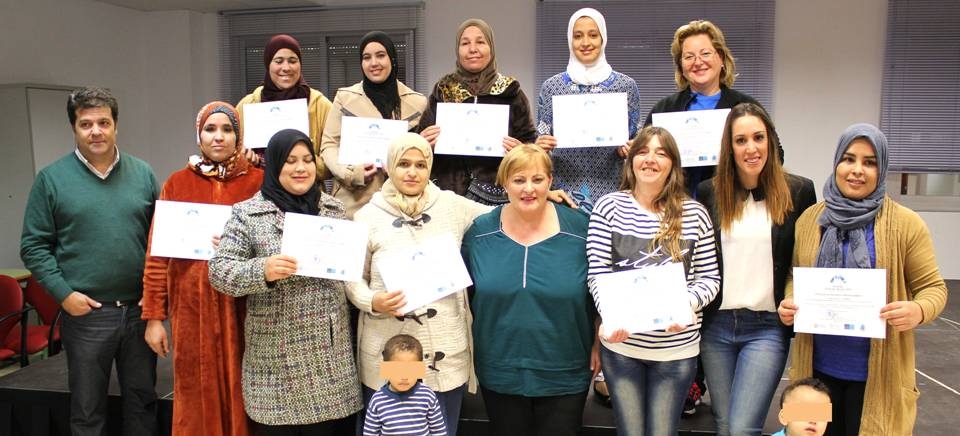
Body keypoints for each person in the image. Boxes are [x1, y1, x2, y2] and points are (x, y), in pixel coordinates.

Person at [777, 123, 947, 435]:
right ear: (836, 163)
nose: (857, 170)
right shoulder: (810, 219)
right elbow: (793, 275)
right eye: (849, 159)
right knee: (807, 434)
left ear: (881, 169)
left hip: (876, 375)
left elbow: (934, 288)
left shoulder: (906, 225)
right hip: (813, 370)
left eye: (869, 162)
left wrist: (918, 310)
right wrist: (790, 298)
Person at [20, 87, 159, 435]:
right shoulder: (51, 180)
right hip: (86, 314)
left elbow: (160, 241)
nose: (96, 131)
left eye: (103, 122)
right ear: (74, 129)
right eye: (86, 124)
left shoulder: (143, 174)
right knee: (87, 410)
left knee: (142, 403)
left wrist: (156, 295)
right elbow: (33, 246)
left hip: (139, 312)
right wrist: (64, 295)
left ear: (116, 126)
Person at [208, 129, 362, 435]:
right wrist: (262, 270)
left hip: (328, 361)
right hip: (275, 363)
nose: (300, 168)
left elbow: (351, 273)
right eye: (290, 161)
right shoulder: (248, 213)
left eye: (307, 159)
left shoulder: (334, 210)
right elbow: (220, 271)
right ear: (276, 164)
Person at [349, 133, 489, 436]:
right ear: (389, 167)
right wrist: (372, 300)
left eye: (420, 165)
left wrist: (548, 199)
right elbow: (351, 277)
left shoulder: (453, 205)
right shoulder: (367, 216)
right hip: (389, 344)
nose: (412, 172)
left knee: (440, 429)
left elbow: (504, 215)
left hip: (444, 348)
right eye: (403, 164)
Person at [587, 126, 720, 436]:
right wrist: (611, 314)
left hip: (675, 351)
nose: (651, 159)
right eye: (643, 151)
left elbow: (709, 278)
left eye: (661, 153)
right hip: (623, 348)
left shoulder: (695, 214)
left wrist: (682, 306)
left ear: (673, 164)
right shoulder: (608, 208)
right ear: (631, 160)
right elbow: (597, 273)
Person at [694, 103, 816, 436]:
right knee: (723, 423)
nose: (751, 148)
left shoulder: (799, 190)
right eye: (741, 140)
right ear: (729, 147)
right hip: (717, 325)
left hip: (767, 327)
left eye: (758, 137)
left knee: (742, 427)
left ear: (771, 141)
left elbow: (803, 261)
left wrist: (793, 298)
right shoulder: (709, 192)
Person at [141, 102, 262, 436]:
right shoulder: (176, 184)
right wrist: (154, 317)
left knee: (246, 392)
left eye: (227, 130)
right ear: (199, 135)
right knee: (196, 391)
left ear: (239, 136)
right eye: (211, 129)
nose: (219, 137)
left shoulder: (258, 181)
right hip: (191, 310)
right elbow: (156, 257)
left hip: (246, 307)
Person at [462, 144, 597, 436]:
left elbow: (600, 294)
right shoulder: (479, 233)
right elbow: (465, 298)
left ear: (550, 181)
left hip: (565, 367)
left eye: (537, 179)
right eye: (518, 180)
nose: (528, 189)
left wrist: (599, 342)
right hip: (500, 367)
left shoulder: (581, 231)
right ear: (504, 183)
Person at [644, 20, 780, 197]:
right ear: (681, 66)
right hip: (675, 206)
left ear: (721, 58)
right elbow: (645, 156)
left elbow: (777, 154)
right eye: (689, 56)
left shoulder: (746, 107)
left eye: (705, 53)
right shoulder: (664, 109)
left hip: (732, 204)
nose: (698, 62)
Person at [417, 18, 539, 205]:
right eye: (465, 43)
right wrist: (422, 142)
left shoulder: (511, 92)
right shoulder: (443, 90)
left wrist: (520, 151)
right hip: (448, 194)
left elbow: (531, 142)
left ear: (491, 47)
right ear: (457, 50)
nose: (472, 49)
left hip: (498, 194)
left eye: (480, 42)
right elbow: (418, 143)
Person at [535, 7, 642, 212]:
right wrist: (540, 146)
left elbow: (636, 141)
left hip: (614, 191)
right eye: (578, 36)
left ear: (603, 39)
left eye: (593, 35)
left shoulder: (626, 86)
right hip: (562, 192)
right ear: (570, 40)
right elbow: (541, 145)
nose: (585, 43)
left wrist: (631, 148)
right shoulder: (551, 87)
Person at [320, 31, 428, 219]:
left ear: (392, 59)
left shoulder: (417, 102)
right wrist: (350, 173)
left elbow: (422, 155)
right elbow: (329, 146)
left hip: (403, 202)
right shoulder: (345, 98)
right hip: (354, 199)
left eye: (380, 55)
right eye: (366, 57)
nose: (374, 63)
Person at [237, 34, 333, 174]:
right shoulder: (248, 105)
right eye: (279, 61)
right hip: (257, 190)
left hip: (306, 191)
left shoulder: (320, 105)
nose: (286, 67)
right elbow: (231, 157)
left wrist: (296, 161)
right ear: (268, 64)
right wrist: (245, 159)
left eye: (292, 61)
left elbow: (332, 165)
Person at [363, 334, 447, 436]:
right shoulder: (378, 400)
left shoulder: (427, 396)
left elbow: (438, 431)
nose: (404, 377)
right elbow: (370, 433)